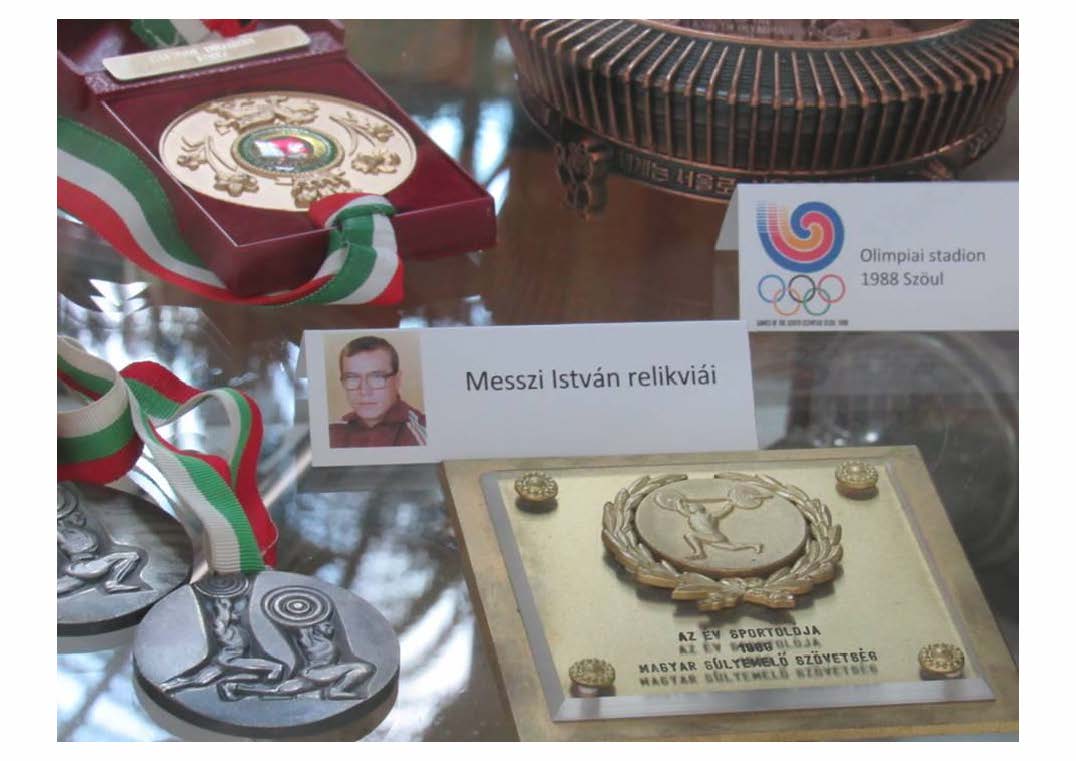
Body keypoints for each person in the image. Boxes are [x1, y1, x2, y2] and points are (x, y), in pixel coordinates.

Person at [329, 336, 427, 448]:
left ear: (397, 380)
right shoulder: (332, 433)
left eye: (376, 377)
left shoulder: (425, 435)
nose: (364, 391)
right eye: (352, 378)